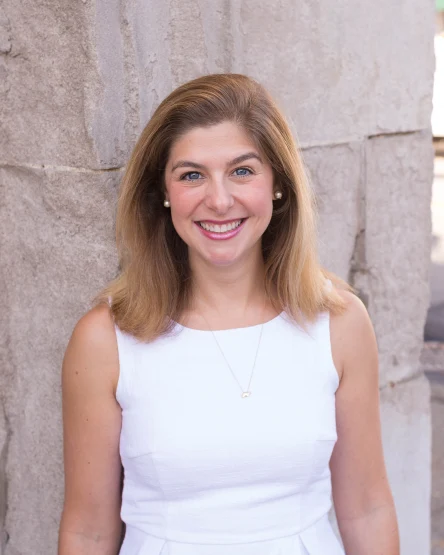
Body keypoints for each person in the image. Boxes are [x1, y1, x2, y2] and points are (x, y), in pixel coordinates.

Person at [58, 73, 399, 555]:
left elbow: (367, 508)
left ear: (277, 184)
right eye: (192, 174)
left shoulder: (339, 324)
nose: (219, 200)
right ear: (164, 192)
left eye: (242, 171)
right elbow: (88, 531)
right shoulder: (105, 340)